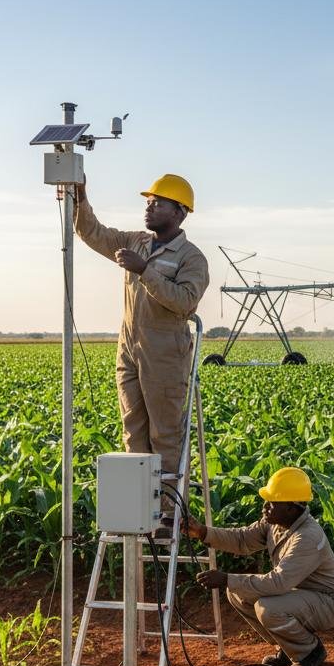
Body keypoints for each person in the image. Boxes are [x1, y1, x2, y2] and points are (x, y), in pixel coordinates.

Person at [72, 175, 209, 521]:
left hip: (165, 355)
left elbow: (184, 302)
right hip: (129, 351)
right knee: (133, 433)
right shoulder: (137, 241)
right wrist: (80, 198)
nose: (150, 207)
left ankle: (166, 518)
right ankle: (137, 515)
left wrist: (145, 271)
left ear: (180, 213)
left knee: (165, 436)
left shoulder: (192, 258)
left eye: (158, 203)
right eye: (148, 202)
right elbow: (94, 233)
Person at [188, 467, 334, 666]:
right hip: (298, 596)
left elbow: (279, 582)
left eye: (273, 502)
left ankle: (309, 652)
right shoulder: (276, 523)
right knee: (237, 593)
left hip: (326, 603)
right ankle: (288, 646)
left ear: (292, 507)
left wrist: (227, 578)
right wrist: (201, 532)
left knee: (267, 608)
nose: (265, 507)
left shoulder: (307, 537)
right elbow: (242, 539)